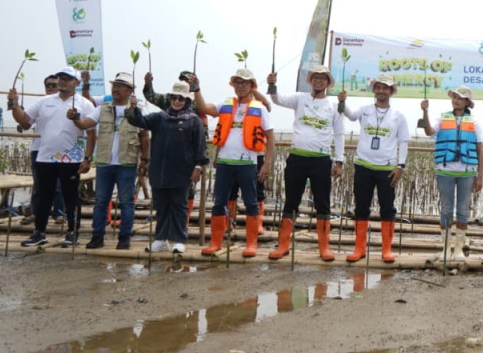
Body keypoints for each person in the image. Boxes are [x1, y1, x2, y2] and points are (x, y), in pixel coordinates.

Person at [9, 67, 96, 247]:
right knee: (43, 196)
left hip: (71, 159)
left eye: (67, 79)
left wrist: (87, 158)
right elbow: (24, 122)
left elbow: (91, 134)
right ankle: (39, 232)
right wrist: (15, 104)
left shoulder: (85, 104)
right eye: (60, 78)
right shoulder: (44, 101)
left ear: (77, 83)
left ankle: (73, 232)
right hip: (45, 157)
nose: (62, 81)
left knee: (71, 197)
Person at [266, 66, 344, 262]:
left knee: (322, 203)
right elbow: (277, 99)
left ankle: (324, 248)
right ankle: (283, 245)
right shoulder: (299, 98)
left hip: (321, 160)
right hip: (297, 158)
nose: (318, 81)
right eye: (315, 78)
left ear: (328, 83)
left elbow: (340, 135)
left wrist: (339, 161)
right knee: (291, 201)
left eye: (322, 78)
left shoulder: (334, 107)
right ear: (311, 81)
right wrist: (272, 84)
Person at [195, 69, 275, 257]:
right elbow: (203, 109)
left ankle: (251, 244)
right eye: (237, 82)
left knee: (251, 203)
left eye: (245, 83)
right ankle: (215, 243)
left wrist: (266, 164)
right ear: (233, 85)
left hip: (248, 164)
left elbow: (271, 139)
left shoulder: (260, 108)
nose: (241, 86)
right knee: (219, 203)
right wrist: (196, 89)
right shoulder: (225, 105)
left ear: (252, 86)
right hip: (224, 164)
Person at [126, 81, 209, 253]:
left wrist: (198, 167)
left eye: (181, 98)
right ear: (170, 98)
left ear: (187, 101)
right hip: (159, 170)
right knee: (161, 205)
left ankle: (179, 240)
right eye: (174, 97)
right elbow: (137, 120)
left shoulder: (194, 121)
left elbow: (200, 147)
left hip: (182, 171)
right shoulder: (159, 117)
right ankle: (161, 239)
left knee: (179, 206)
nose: (177, 101)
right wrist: (133, 107)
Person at [72, 72, 150, 250]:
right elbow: (85, 124)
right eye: (115, 85)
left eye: (121, 86)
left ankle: (124, 238)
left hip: (127, 162)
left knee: (126, 202)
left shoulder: (138, 110)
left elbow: (145, 137)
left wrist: (145, 159)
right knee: (101, 201)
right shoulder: (102, 108)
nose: (116, 89)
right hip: (104, 162)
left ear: (130, 91)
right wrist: (76, 118)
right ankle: (97, 236)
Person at [338, 74, 409, 263]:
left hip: (387, 169)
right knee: (361, 208)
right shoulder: (364, 110)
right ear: (374, 90)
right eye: (378, 87)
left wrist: (400, 166)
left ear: (391, 91)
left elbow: (403, 142)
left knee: (388, 209)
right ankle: (359, 249)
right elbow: (351, 115)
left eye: (385, 88)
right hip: (363, 166)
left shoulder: (399, 116)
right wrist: (343, 103)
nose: (381, 91)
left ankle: (386, 250)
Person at [421, 86, 483, 263]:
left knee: (463, 211)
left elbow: (480, 150)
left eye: (460, 98)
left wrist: (480, 176)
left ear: (466, 103)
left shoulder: (474, 123)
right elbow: (428, 132)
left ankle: (458, 249)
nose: (456, 100)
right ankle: (446, 248)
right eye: (455, 97)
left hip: (467, 173)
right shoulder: (442, 118)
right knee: (446, 210)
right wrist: (425, 112)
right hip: (445, 171)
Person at [19, 75, 67, 228]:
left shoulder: (66, 104)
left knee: (58, 185)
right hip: (39, 149)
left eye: (54, 85)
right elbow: (24, 124)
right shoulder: (40, 103)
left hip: (59, 150)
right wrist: (16, 109)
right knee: (39, 184)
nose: (52, 88)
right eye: (49, 85)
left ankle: (58, 213)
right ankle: (36, 212)